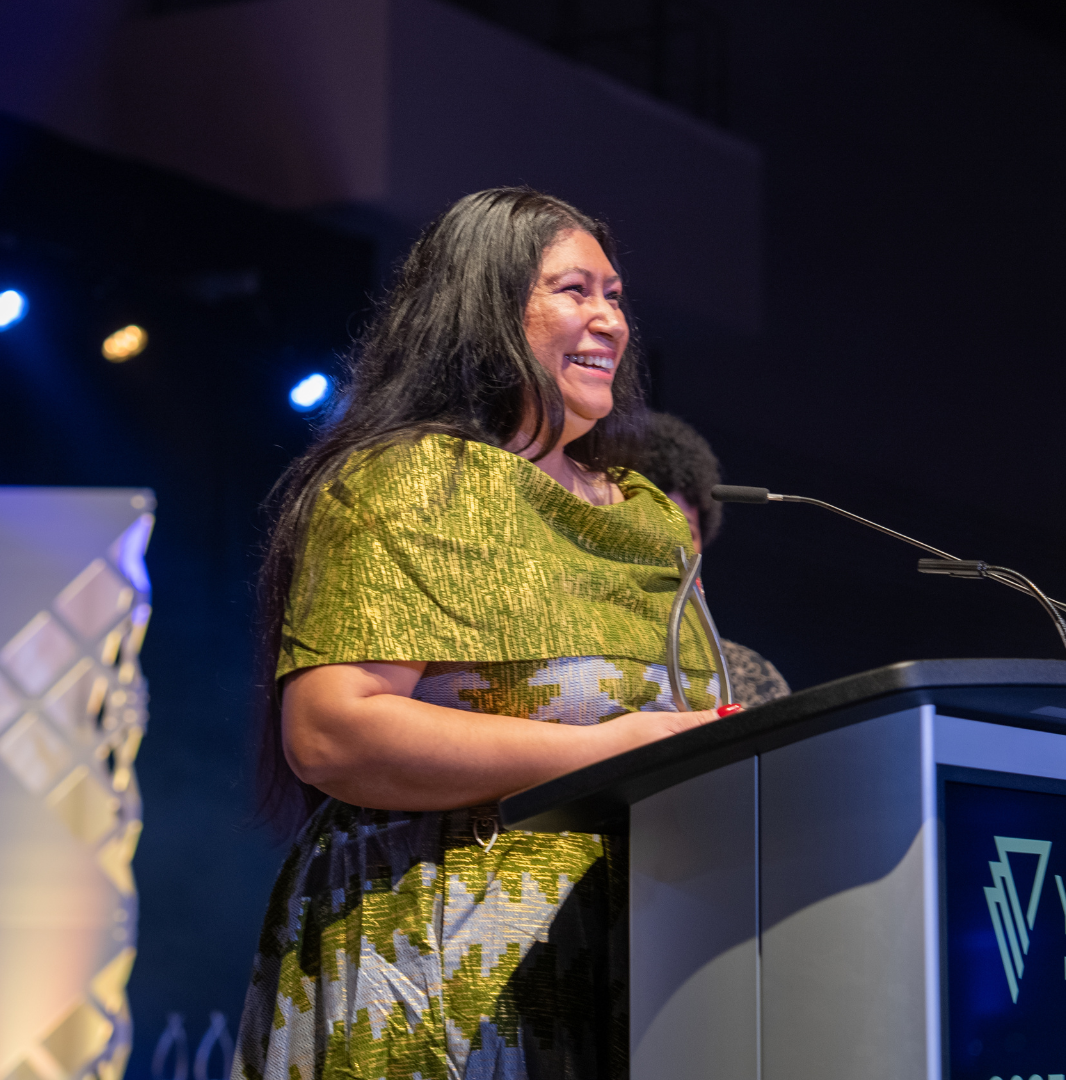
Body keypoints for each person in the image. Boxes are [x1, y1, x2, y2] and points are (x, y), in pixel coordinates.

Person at [233, 189, 739, 1080]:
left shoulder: (654, 522)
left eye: (615, 296)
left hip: (643, 970)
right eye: (573, 291)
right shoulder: (409, 480)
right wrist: (611, 751)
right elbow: (331, 730)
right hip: (443, 970)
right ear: (487, 308)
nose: (608, 320)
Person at [638, 412, 792, 705]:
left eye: (684, 530)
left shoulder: (750, 676)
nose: (670, 545)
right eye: (650, 525)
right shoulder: (582, 668)